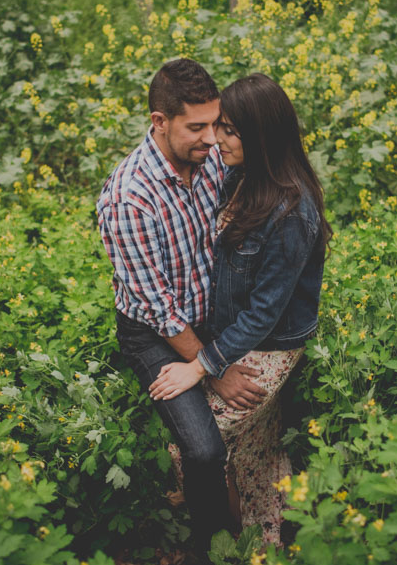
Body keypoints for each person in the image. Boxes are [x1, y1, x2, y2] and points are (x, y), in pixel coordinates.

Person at [96, 59, 269, 560]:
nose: (212, 139)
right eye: (197, 127)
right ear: (159, 122)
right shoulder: (130, 199)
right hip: (153, 331)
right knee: (204, 448)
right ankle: (211, 548)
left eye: (216, 124)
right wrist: (212, 370)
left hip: (209, 306)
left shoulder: (209, 155)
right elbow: (160, 309)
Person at [148, 73, 331, 546]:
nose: (216, 139)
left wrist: (201, 366)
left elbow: (265, 312)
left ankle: (233, 540)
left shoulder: (293, 211)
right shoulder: (238, 176)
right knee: (257, 448)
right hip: (233, 337)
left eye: (229, 129)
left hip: (267, 347)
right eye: (215, 128)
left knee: (191, 447)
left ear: (261, 134)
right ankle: (266, 535)